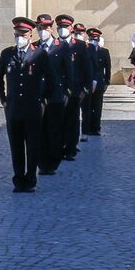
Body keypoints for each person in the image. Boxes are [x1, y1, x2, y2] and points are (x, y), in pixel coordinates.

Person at [0, 17, 48, 192]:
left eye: (23, 34)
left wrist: (43, 100)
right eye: (17, 34)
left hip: (33, 108)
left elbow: (51, 79)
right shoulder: (7, 53)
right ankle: (18, 180)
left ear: (30, 34)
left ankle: (31, 179)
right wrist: (3, 98)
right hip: (14, 108)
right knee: (16, 146)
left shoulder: (39, 54)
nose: (19, 37)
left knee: (32, 146)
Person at [35, 14, 71, 175]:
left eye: (45, 28)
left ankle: (53, 161)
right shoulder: (34, 47)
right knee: (39, 130)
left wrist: (66, 93)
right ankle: (42, 162)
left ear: (51, 29)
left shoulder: (62, 47)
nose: (42, 31)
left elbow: (68, 72)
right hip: (38, 96)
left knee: (54, 129)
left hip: (56, 95)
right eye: (39, 28)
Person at [58, 15, 90, 161]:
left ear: (71, 28)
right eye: (59, 27)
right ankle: (58, 147)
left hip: (75, 90)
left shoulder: (80, 46)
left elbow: (86, 68)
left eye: (65, 27)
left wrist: (86, 89)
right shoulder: (54, 44)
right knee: (58, 120)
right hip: (57, 89)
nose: (62, 29)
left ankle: (70, 149)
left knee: (73, 120)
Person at [84, 28, 110, 136]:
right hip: (87, 82)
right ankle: (88, 128)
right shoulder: (84, 51)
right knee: (87, 106)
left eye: (95, 38)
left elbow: (108, 67)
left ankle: (96, 128)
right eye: (91, 38)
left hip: (99, 82)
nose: (93, 40)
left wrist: (107, 82)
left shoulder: (104, 52)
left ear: (98, 39)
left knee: (97, 107)